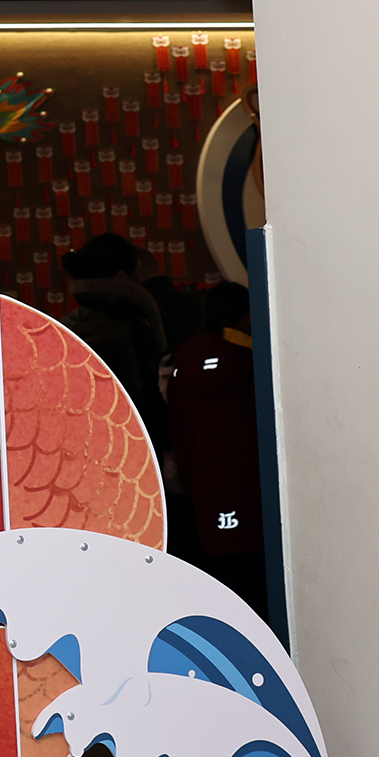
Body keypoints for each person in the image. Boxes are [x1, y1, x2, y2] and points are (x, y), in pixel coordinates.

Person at [165, 280, 269, 616]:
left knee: (220, 591)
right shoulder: (258, 361)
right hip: (254, 491)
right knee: (259, 592)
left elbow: (176, 428)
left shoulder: (180, 363)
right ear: (247, 317)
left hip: (204, 491)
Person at [62, 232, 173, 458]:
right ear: (124, 276)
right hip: (127, 448)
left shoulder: (68, 323)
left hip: (82, 443)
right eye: (136, 274)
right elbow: (143, 400)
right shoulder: (130, 326)